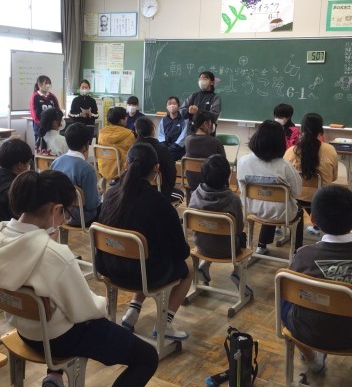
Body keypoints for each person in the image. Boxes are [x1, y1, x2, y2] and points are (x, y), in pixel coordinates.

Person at [0, 170, 158, 387]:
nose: (65, 220)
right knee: (147, 357)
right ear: (56, 210)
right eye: (66, 213)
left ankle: (54, 376)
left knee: (56, 303)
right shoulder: (54, 255)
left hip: (24, 330)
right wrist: (101, 302)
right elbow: (83, 311)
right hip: (58, 338)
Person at [282, 185, 352, 372]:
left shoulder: (303, 255)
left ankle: (312, 359)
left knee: (284, 298)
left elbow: (290, 295)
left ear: (313, 220)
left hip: (308, 332)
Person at [97, 143, 193, 341]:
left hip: (110, 268)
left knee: (142, 255)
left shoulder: (110, 194)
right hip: (142, 274)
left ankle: (132, 313)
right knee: (189, 266)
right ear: (156, 169)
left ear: (126, 165)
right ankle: (164, 323)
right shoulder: (160, 203)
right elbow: (181, 252)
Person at [237, 120, 303, 255]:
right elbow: (297, 193)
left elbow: (242, 188)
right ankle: (297, 251)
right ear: (280, 143)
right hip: (282, 214)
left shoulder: (243, 161)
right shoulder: (284, 166)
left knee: (268, 202)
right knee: (296, 209)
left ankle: (261, 245)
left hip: (253, 210)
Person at [188, 154, 250, 295]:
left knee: (210, 234)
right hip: (228, 250)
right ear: (227, 176)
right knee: (242, 236)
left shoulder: (195, 194)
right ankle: (237, 271)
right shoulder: (233, 199)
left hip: (201, 246)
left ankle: (204, 265)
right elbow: (238, 229)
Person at [284, 112, 338, 236]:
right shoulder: (330, 150)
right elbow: (333, 177)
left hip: (296, 197)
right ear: (320, 130)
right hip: (321, 197)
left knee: (298, 202)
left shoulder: (291, 151)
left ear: (301, 129)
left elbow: (284, 177)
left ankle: (295, 238)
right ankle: (319, 226)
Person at [51, 123, 101, 227]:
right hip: (80, 218)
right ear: (87, 144)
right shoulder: (87, 169)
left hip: (58, 213)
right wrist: (98, 194)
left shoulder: (56, 162)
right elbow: (91, 205)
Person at [135, 116, 184, 205]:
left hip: (136, 190)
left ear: (137, 131)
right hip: (159, 191)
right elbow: (171, 172)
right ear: (153, 130)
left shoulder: (133, 148)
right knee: (180, 195)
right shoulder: (162, 149)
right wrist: (167, 190)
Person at [184, 110, 225, 191]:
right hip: (211, 184)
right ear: (206, 123)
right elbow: (224, 164)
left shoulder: (187, 140)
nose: (213, 125)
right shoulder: (215, 142)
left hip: (192, 183)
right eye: (212, 122)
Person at [97, 106, 135, 182]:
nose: (127, 119)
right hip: (121, 171)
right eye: (125, 117)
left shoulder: (101, 133)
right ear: (121, 120)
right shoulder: (129, 134)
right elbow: (133, 152)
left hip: (104, 169)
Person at [30, 75, 60, 144]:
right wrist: (45, 124)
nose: (48, 85)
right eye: (46, 83)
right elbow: (35, 115)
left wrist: (57, 122)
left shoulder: (52, 96)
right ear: (39, 85)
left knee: (53, 147)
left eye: (49, 83)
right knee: (41, 148)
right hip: (40, 129)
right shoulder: (35, 96)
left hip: (52, 129)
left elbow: (58, 110)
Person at [158, 96, 188, 161]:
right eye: (169, 104)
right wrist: (164, 147)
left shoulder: (184, 120)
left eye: (174, 103)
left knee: (170, 157)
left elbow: (183, 137)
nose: (172, 106)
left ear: (178, 106)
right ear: (167, 107)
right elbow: (161, 135)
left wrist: (172, 148)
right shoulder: (164, 120)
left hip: (178, 150)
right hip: (165, 148)